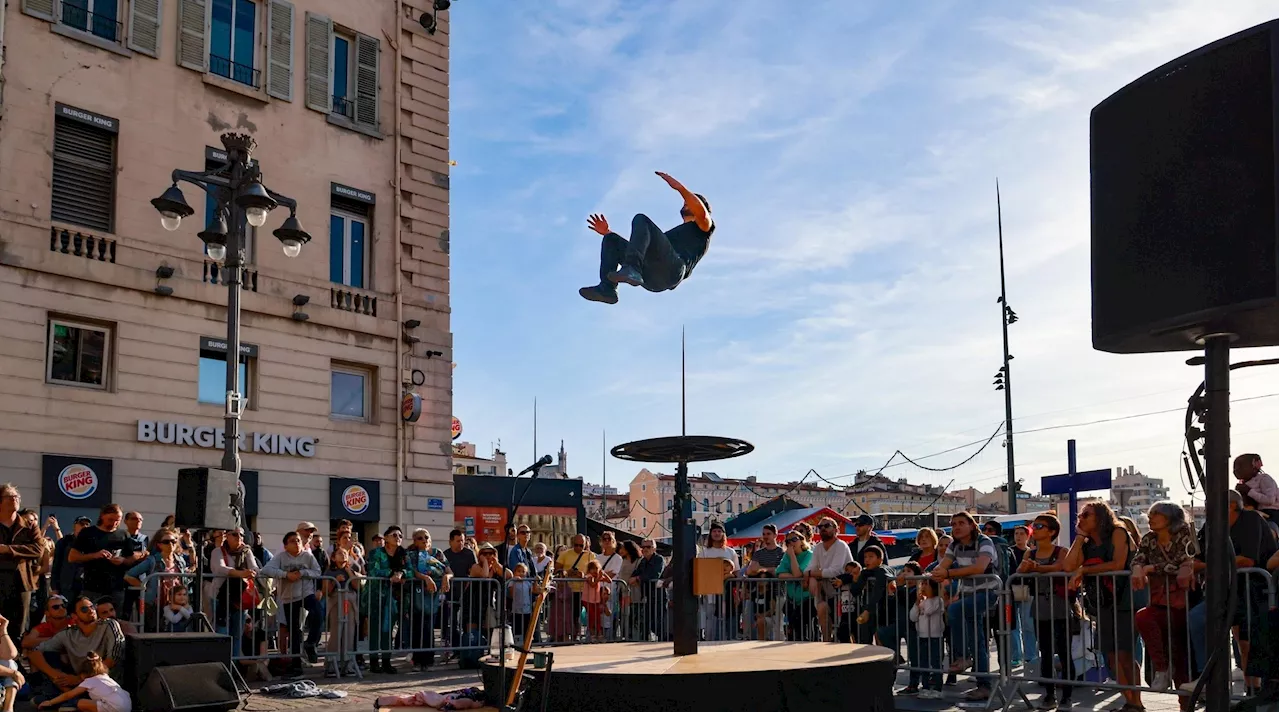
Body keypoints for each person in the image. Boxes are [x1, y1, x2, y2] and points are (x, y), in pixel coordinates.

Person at [579, 171, 714, 304]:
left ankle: (632, 269)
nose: (686, 202)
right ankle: (607, 289)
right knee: (611, 239)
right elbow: (638, 247)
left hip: (673, 270)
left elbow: (701, 214)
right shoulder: (669, 240)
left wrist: (680, 188)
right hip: (652, 279)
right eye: (685, 201)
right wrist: (607, 232)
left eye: (689, 202)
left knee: (641, 220)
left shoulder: (703, 228)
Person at [1063, 501, 1140, 711]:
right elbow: (1069, 565)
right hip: (1104, 603)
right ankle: (1130, 702)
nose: (1081, 519)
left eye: (1086, 515)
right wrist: (1079, 538)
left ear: (1100, 516)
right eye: (1079, 516)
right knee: (1112, 655)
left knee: (1125, 653)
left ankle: (1137, 702)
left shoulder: (1118, 532)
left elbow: (1117, 564)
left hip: (1126, 600)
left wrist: (1085, 570)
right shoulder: (1087, 543)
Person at [933, 511, 1001, 703]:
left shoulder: (984, 541)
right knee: (978, 640)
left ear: (972, 525)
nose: (956, 527)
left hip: (988, 592)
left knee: (954, 610)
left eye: (961, 523)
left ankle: (963, 656)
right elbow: (942, 566)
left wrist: (948, 573)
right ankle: (984, 685)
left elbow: (979, 568)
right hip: (968, 594)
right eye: (953, 524)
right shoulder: (954, 545)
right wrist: (939, 573)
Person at [1131, 501, 1198, 695]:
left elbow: (1188, 562)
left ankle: (1186, 705)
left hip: (1186, 601)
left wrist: (1153, 568)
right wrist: (1138, 568)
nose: (1150, 518)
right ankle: (1161, 670)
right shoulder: (1149, 538)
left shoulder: (1186, 535)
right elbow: (1138, 558)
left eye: (1155, 514)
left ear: (1169, 517)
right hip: (1160, 601)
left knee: (1182, 656)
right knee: (1144, 618)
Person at [1018, 514, 1074, 711]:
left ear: (1052, 532)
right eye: (1035, 526)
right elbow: (1019, 572)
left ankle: (1067, 696)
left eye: (1040, 526)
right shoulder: (1030, 554)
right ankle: (1049, 695)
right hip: (1039, 604)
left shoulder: (1061, 551)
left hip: (1059, 604)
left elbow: (1060, 567)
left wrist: (1038, 568)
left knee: (1064, 651)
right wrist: (1026, 568)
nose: (1036, 529)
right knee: (1046, 652)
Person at [29, 596, 125, 704]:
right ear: (74, 616)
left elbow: (113, 660)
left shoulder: (109, 625)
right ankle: (69, 698)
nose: (91, 611)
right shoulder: (69, 633)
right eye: (84, 609)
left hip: (105, 685)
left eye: (92, 607)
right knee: (49, 655)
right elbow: (33, 651)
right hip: (78, 685)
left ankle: (64, 699)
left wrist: (79, 678)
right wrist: (55, 675)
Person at [261, 531, 322, 675]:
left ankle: (311, 643)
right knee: (294, 632)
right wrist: (285, 574)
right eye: (293, 541)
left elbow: (317, 571)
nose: (297, 543)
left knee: (318, 613)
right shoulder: (281, 557)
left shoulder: (308, 556)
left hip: (306, 593)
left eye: (299, 540)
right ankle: (295, 666)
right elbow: (266, 569)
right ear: (286, 545)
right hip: (289, 597)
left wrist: (303, 573)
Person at [69, 505, 139, 617]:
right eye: (110, 520)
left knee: (115, 619)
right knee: (92, 618)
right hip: (92, 586)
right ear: (102, 516)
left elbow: (131, 558)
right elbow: (72, 556)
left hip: (116, 587)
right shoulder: (88, 533)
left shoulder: (124, 535)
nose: (114, 523)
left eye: (118, 520)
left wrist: (123, 560)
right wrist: (94, 555)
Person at [0, 484, 44, 643]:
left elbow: (38, 549)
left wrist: (8, 550)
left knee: (18, 626)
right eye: (10, 497)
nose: (15, 500)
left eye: (17, 497)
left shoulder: (29, 525)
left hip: (21, 582)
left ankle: (15, 662)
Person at [806, 516, 853, 642]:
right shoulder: (818, 548)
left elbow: (835, 571)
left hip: (845, 593)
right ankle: (826, 642)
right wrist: (812, 577)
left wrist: (812, 574)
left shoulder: (841, 545)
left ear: (836, 529)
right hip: (826, 593)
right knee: (821, 608)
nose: (822, 529)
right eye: (820, 527)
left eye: (827, 526)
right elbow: (809, 569)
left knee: (846, 630)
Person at [36, 651, 130, 712]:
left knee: (81, 702)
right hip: (127, 706)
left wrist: (50, 702)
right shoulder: (106, 677)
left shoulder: (90, 681)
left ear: (84, 673)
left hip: (114, 708)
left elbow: (68, 695)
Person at [321, 546, 361, 677]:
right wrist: (335, 581)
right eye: (339, 553)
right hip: (336, 601)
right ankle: (332, 663)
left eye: (345, 553)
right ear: (333, 557)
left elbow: (357, 586)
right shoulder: (329, 572)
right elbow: (325, 590)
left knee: (349, 632)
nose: (343, 555)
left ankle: (348, 664)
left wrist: (349, 572)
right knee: (336, 633)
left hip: (349, 601)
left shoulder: (352, 569)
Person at [909, 578, 946, 700]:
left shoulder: (937, 601)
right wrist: (917, 603)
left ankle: (937, 688)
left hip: (935, 636)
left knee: (935, 663)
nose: (923, 587)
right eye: (922, 584)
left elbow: (929, 610)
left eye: (927, 585)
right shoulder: (920, 602)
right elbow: (913, 617)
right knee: (923, 663)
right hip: (922, 636)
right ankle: (924, 687)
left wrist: (924, 602)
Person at [775, 530, 814, 642]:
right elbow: (780, 573)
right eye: (788, 541)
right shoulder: (787, 556)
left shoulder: (808, 555)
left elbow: (798, 574)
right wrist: (794, 575)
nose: (791, 543)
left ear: (802, 541)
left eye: (794, 539)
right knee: (791, 622)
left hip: (807, 597)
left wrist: (792, 556)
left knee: (803, 623)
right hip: (792, 598)